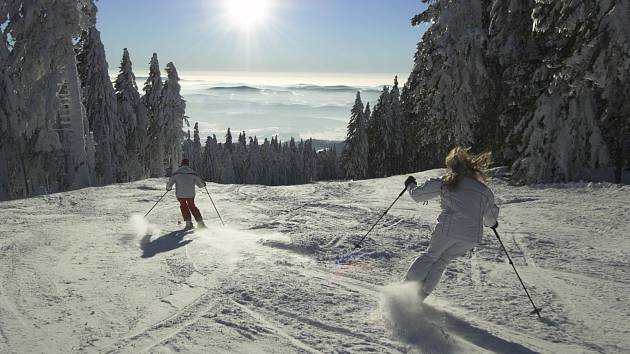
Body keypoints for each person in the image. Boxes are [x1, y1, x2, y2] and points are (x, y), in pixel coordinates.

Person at [403, 147, 499, 300]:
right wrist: (493, 224)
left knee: (430, 256)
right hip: (471, 236)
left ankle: (404, 292)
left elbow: (418, 196)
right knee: (442, 261)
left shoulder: (447, 182)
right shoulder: (484, 191)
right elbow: (490, 219)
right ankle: (421, 295)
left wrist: (410, 185)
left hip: (449, 229)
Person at [166, 158, 207, 230]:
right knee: (192, 206)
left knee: (183, 206)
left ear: (181, 164)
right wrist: (203, 184)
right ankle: (200, 223)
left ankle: (188, 223)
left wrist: (168, 188)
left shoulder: (176, 173)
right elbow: (200, 185)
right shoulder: (192, 173)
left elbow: (170, 182)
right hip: (190, 195)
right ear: (188, 164)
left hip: (180, 194)